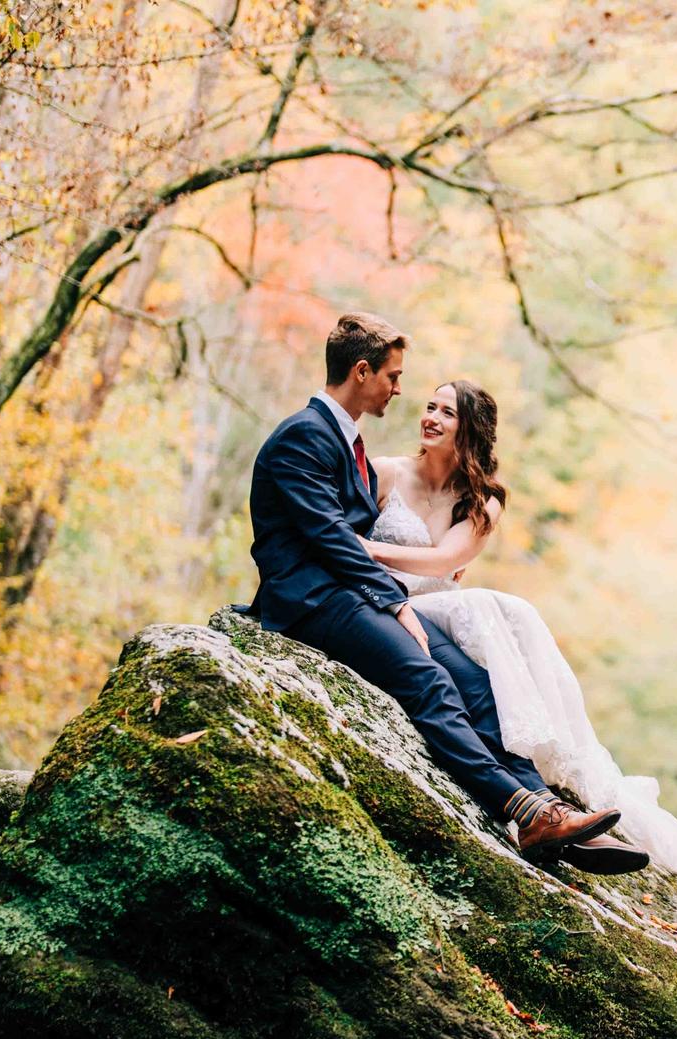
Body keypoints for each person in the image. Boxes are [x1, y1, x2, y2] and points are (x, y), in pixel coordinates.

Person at [360, 377, 677, 909]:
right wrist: (362, 553)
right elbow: (344, 537)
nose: (432, 417)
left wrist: (363, 547)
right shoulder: (385, 472)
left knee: (500, 653)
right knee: (482, 653)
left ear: (472, 429)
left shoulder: (483, 502)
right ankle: (544, 813)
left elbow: (444, 561)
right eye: (430, 406)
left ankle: (554, 815)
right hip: (389, 608)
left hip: (439, 610)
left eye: (448, 411)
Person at [245, 313, 635, 875]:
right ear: (362, 372)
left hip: (350, 593)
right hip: (315, 601)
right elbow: (330, 537)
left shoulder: (344, 440)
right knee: (428, 680)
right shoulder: (304, 436)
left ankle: (550, 817)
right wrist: (396, 600)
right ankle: (521, 808)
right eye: (393, 376)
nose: (401, 391)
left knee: (476, 683)